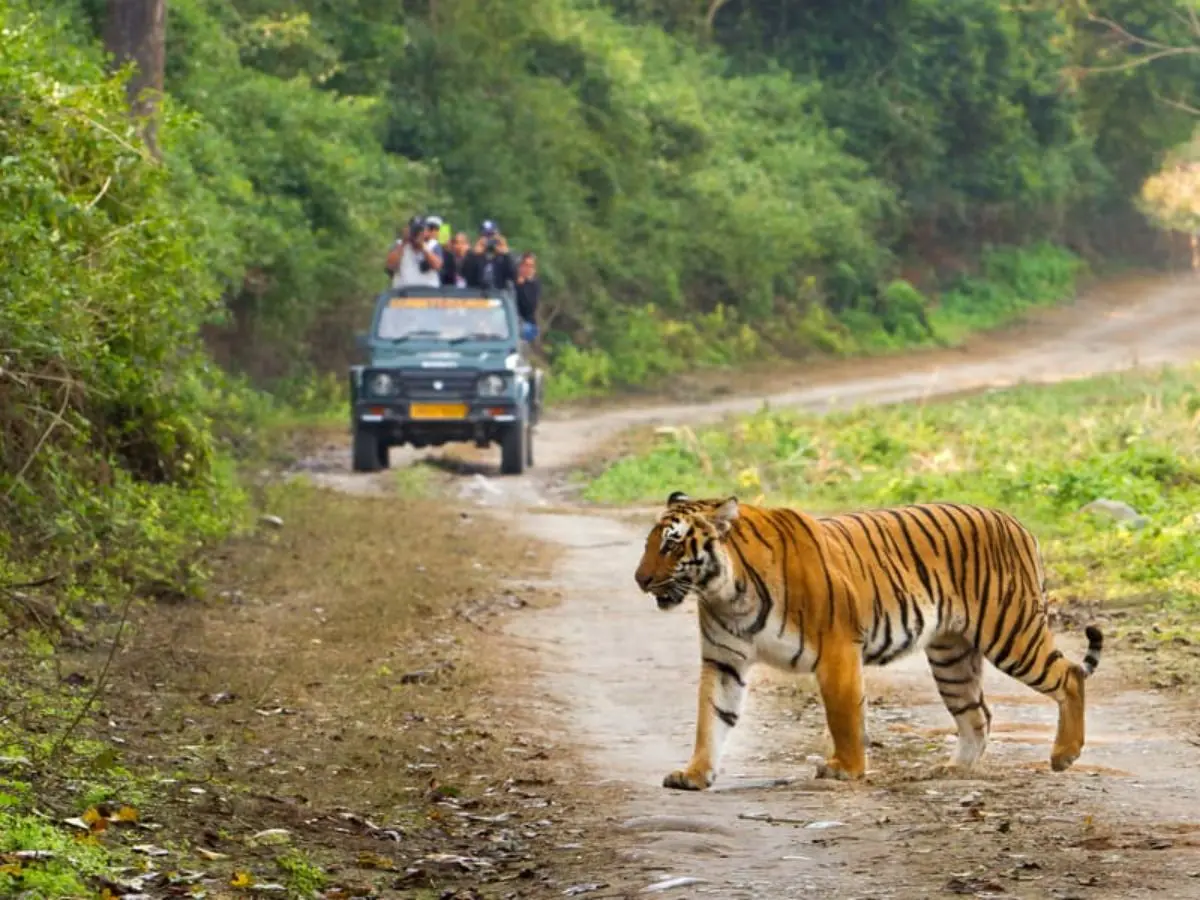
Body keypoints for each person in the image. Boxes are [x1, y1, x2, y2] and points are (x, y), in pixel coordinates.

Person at [388, 214, 442, 288]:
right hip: (403, 294)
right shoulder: (399, 244)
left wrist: (422, 246)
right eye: (415, 230)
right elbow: (390, 266)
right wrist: (404, 242)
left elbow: (437, 266)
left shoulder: (432, 245)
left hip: (428, 294)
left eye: (420, 230)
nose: (417, 233)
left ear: (426, 231)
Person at [462, 219, 516, 290]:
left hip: (499, 294)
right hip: (477, 296)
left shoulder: (504, 256)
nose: (489, 238)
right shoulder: (474, 255)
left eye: (491, 235)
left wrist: (506, 254)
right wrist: (474, 255)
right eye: (486, 235)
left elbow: (514, 275)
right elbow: (466, 275)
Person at [514, 251, 540, 344]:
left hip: (527, 323)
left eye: (531, 266)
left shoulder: (534, 284)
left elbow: (529, 307)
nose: (527, 269)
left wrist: (521, 286)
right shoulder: (513, 281)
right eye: (525, 265)